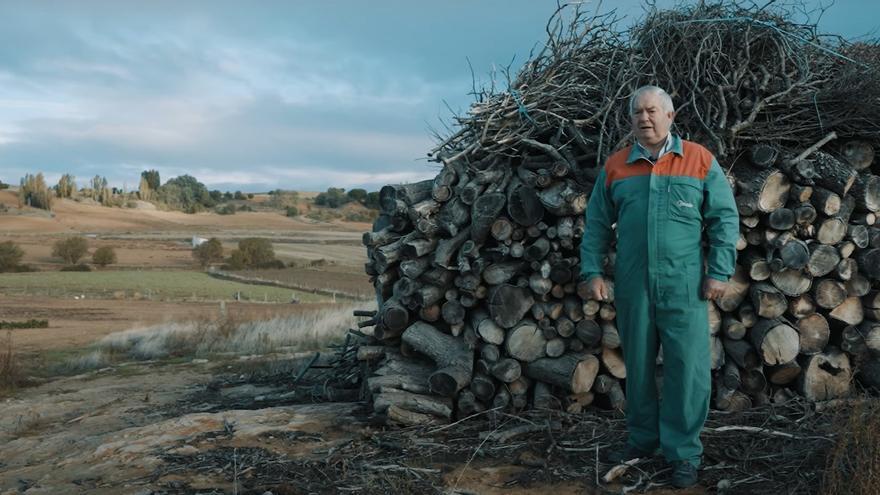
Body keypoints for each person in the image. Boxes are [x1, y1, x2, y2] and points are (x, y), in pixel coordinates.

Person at [579, 85, 739, 488]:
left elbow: (724, 219)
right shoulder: (617, 167)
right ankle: (642, 440)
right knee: (638, 365)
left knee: (688, 369)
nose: (644, 118)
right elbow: (597, 223)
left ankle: (683, 453)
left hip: (683, 285)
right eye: (637, 113)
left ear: (670, 116)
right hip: (634, 284)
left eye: (652, 111)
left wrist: (719, 271)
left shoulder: (699, 160)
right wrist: (592, 271)